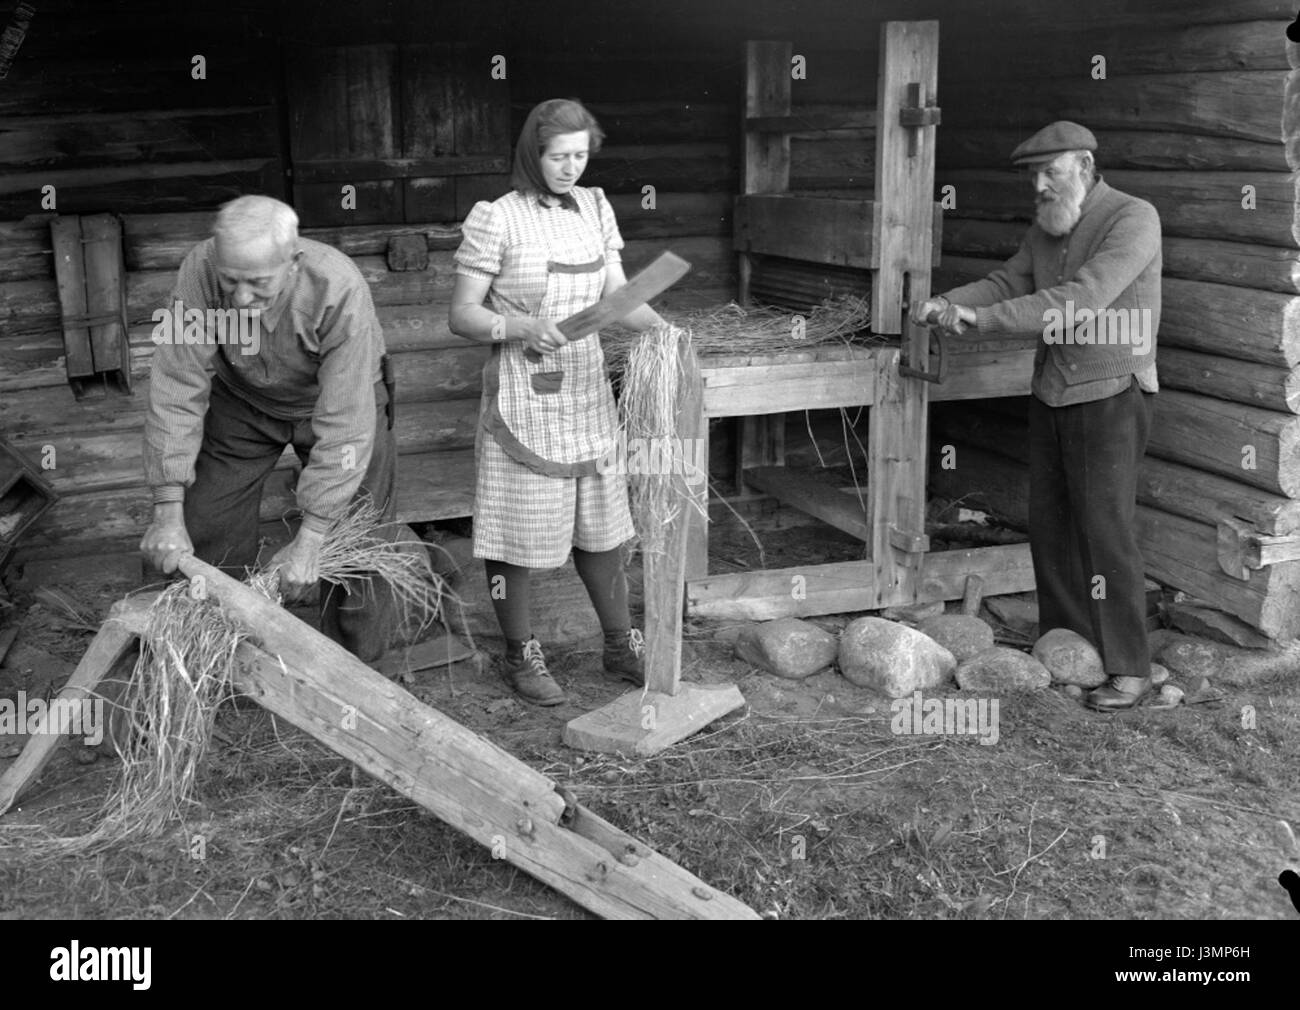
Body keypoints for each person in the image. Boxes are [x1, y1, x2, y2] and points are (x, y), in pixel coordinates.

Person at [913, 121, 1161, 711]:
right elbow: (1007, 281)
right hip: (1053, 390)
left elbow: (1081, 300)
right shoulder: (1047, 226)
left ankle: (1130, 665)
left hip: (1110, 393)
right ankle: (1066, 644)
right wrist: (948, 303)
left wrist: (981, 321)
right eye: (1034, 176)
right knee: (1050, 524)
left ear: (1084, 166)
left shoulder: (1133, 218)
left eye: (1051, 172)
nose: (1040, 186)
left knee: (1104, 528)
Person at [449, 98, 671, 706]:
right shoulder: (497, 218)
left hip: (586, 390)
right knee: (515, 530)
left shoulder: (594, 207)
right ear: (533, 154)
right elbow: (462, 314)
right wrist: (520, 326)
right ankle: (520, 653)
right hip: (524, 394)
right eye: (558, 157)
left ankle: (619, 644)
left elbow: (619, 297)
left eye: (580, 156)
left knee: (602, 526)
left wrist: (667, 334)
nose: (571, 168)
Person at [140, 194, 398, 662]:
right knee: (205, 522)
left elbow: (345, 419)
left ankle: (354, 668)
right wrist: (167, 508)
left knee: (358, 538)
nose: (241, 298)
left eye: (259, 283)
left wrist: (312, 536)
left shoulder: (338, 287)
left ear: (293, 263)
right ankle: (208, 660)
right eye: (231, 281)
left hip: (337, 401)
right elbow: (176, 383)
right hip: (244, 399)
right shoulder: (199, 271)